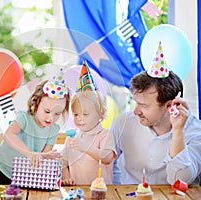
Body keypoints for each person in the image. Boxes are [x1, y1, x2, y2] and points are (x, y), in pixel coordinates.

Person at [109, 42, 201, 184]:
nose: (136, 111)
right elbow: (105, 163)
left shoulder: (195, 132)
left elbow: (180, 180)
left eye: (143, 105)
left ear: (169, 106)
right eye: (136, 102)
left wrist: (178, 132)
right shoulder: (123, 123)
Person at [0, 68, 70, 184]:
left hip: (24, 172)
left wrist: (47, 156)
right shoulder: (24, 118)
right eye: (47, 111)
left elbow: (41, 156)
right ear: (36, 103)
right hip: (4, 166)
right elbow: (9, 135)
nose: (51, 118)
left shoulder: (54, 129)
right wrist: (30, 153)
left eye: (57, 114)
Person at [61, 61, 116, 186]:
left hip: (102, 191)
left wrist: (85, 147)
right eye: (76, 114)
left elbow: (107, 158)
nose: (80, 118)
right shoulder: (72, 138)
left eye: (85, 114)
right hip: (76, 191)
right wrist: (67, 178)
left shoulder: (105, 135)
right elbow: (64, 163)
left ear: (100, 114)